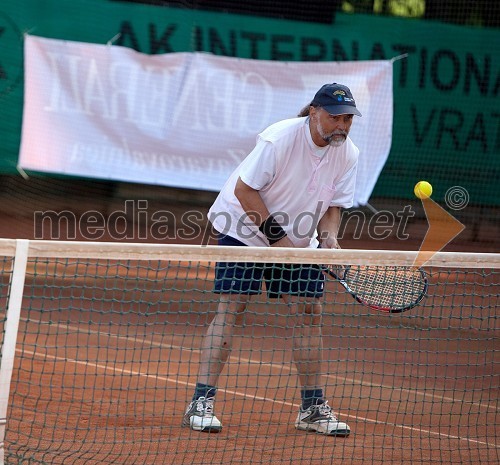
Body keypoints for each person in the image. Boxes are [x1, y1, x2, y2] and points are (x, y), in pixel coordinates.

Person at [182, 83, 361, 436]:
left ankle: (312, 409)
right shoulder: (279, 138)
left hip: (297, 238)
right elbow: (244, 190)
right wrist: (276, 239)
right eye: (335, 117)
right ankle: (200, 403)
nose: (342, 125)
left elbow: (333, 206)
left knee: (310, 312)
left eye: (348, 119)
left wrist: (329, 239)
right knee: (233, 307)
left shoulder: (348, 154)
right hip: (243, 227)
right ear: (314, 112)